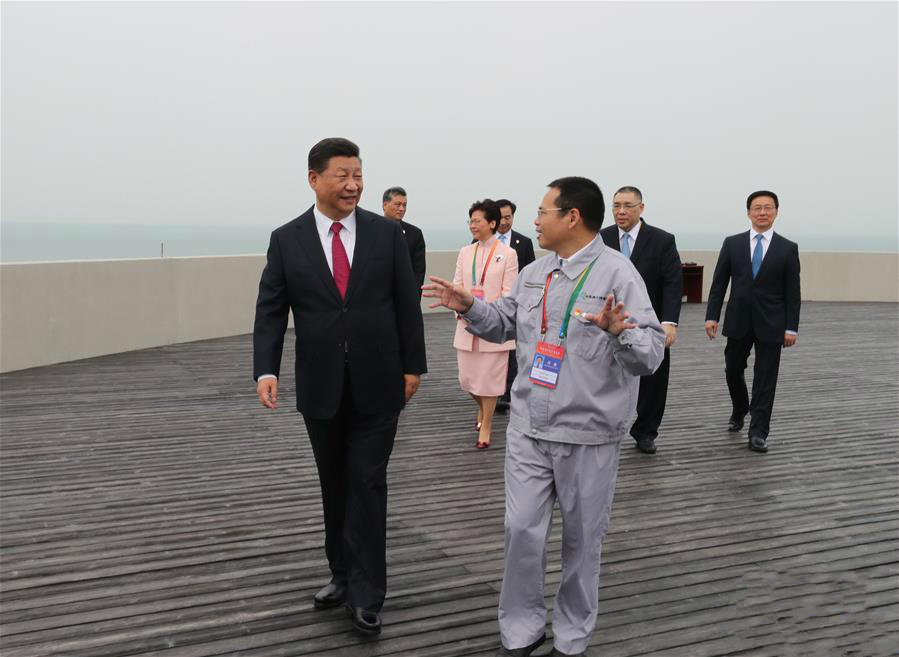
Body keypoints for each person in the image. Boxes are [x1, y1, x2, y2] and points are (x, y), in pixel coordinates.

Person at [424, 177, 664, 657]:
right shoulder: (535, 271)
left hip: (588, 434)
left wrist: (620, 333)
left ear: (571, 217)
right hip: (528, 428)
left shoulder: (618, 274)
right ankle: (521, 630)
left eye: (542, 211)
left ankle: (572, 639)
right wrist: (470, 306)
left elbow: (651, 353)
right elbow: (503, 323)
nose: (532, 221)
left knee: (582, 542)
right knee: (521, 531)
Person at [253, 138, 427, 636]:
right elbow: (271, 308)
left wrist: (413, 366)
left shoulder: (386, 234)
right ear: (314, 179)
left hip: (380, 380)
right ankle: (342, 573)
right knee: (334, 483)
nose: (353, 185)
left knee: (367, 482)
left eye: (358, 175)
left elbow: (405, 302)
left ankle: (368, 593)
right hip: (320, 384)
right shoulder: (286, 239)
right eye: (342, 175)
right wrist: (266, 369)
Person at [705, 190, 800, 453]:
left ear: (776, 212)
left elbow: (793, 293)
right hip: (738, 319)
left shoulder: (787, 248)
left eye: (768, 207)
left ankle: (758, 432)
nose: (762, 212)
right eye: (757, 208)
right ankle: (740, 408)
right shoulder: (732, 243)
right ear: (748, 212)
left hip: (772, 322)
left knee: (765, 378)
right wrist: (712, 316)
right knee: (732, 369)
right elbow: (719, 283)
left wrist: (791, 327)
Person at [600, 186, 682, 454]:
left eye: (627, 206)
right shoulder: (601, 238)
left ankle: (646, 431)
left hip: (650, 321)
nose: (621, 211)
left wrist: (669, 322)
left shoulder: (662, 240)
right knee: (607, 374)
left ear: (641, 208)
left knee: (654, 379)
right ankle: (607, 425)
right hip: (611, 322)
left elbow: (672, 283)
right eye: (616, 206)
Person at [454, 199, 519, 448]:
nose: (472, 225)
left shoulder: (508, 254)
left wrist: (490, 316)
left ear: (492, 223)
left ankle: (487, 425)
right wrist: (461, 309)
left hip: (494, 327)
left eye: (477, 221)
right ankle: (482, 409)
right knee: (468, 380)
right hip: (467, 323)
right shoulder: (465, 252)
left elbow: (508, 293)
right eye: (470, 221)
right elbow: (458, 285)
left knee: (490, 382)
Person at [493, 199, 536, 413]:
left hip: (518, 303)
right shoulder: (484, 240)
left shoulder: (524, 243)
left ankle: (508, 392)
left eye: (508, 217)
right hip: (492, 303)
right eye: (500, 217)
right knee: (494, 347)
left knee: (513, 349)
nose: (504, 222)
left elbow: (531, 274)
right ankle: (493, 388)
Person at [383, 186, 427, 297]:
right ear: (385, 205)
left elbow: (418, 273)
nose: (402, 209)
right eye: (397, 205)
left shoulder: (415, 234)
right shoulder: (372, 230)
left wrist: (413, 300)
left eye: (404, 205)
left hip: (404, 297)